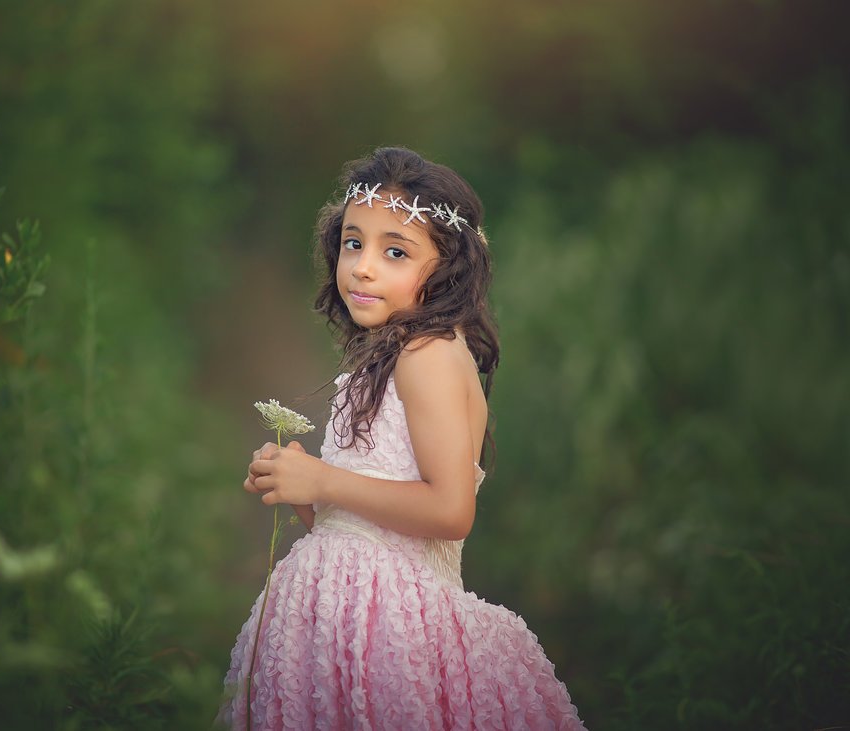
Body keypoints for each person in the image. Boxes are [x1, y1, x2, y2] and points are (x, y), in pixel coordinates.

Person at [218, 147, 585, 730]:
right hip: (338, 630)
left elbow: (450, 509)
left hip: (392, 634)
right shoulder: (384, 361)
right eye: (353, 243)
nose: (363, 267)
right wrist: (303, 490)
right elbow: (358, 528)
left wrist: (323, 477)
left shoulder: (430, 354)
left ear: (445, 269)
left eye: (395, 252)